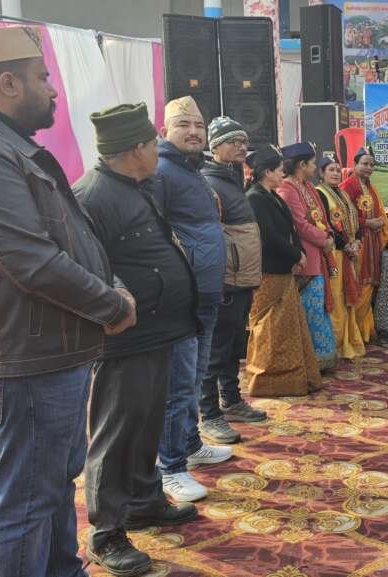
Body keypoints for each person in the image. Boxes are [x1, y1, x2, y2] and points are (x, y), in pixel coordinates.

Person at [0, 27, 136, 577]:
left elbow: (63, 238)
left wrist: (107, 287)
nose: (53, 89)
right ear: (8, 83)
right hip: (26, 351)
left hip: (50, 343)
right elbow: (28, 259)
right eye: (43, 77)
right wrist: (111, 305)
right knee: (28, 496)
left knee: (52, 482)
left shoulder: (3, 142)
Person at [74, 103, 199, 576]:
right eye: (152, 145)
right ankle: (106, 532)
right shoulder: (92, 196)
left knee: (146, 420)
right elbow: (89, 269)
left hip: (156, 328)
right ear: (134, 150)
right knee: (116, 431)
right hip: (126, 336)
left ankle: (144, 500)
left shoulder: (133, 186)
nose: (158, 152)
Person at [155, 96, 231, 503]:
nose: (194, 131)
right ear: (164, 129)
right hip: (182, 297)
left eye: (199, 125)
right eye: (183, 124)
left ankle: (189, 443)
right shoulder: (161, 171)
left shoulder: (192, 169)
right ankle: (169, 467)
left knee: (195, 377)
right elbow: (156, 235)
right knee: (178, 386)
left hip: (206, 292)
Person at [200, 116, 269, 445]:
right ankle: (209, 414)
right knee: (215, 352)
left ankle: (231, 400)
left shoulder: (232, 177)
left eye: (244, 141)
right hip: (226, 281)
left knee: (231, 348)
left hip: (243, 279)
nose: (242, 147)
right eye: (233, 142)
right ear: (214, 148)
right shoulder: (209, 182)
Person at [244, 145, 324, 396]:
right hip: (269, 272)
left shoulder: (272, 196)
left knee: (288, 328)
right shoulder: (255, 198)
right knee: (270, 329)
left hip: (283, 271)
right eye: (279, 170)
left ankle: (292, 379)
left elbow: (290, 229)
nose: (283, 173)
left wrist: (298, 250)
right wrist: (295, 254)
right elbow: (268, 236)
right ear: (267, 172)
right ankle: (267, 382)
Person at [278, 142, 339, 371]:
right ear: (301, 165)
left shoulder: (308, 187)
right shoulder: (287, 189)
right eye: (313, 163)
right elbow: (300, 226)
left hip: (318, 254)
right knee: (310, 313)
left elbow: (321, 217)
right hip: (305, 258)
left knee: (318, 309)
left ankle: (322, 359)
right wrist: (325, 240)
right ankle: (312, 362)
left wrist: (329, 235)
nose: (315, 167)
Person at [316, 156, 366, 360]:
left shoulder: (343, 194)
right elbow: (325, 226)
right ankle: (334, 345)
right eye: (331, 170)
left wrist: (357, 241)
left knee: (348, 297)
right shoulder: (320, 193)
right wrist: (345, 245)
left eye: (338, 170)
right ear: (321, 173)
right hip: (334, 254)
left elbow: (355, 221)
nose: (336, 173)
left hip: (350, 253)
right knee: (336, 297)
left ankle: (348, 341)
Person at [342, 147, 388, 343]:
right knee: (358, 283)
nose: (369, 167)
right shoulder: (348, 186)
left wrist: (376, 223)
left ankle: (364, 332)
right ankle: (353, 333)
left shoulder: (370, 187)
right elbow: (344, 217)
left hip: (371, 243)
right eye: (364, 164)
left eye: (371, 164)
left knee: (368, 285)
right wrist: (367, 223)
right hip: (357, 242)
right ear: (355, 164)